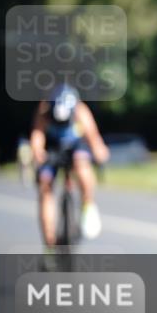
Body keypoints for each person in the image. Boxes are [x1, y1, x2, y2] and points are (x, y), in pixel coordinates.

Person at [30, 84, 110, 248]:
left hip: (74, 146)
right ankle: (50, 243)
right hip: (52, 149)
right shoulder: (44, 110)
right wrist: (38, 153)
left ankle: (88, 205)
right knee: (45, 187)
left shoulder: (80, 110)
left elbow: (93, 138)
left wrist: (99, 151)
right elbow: (37, 137)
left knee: (82, 163)